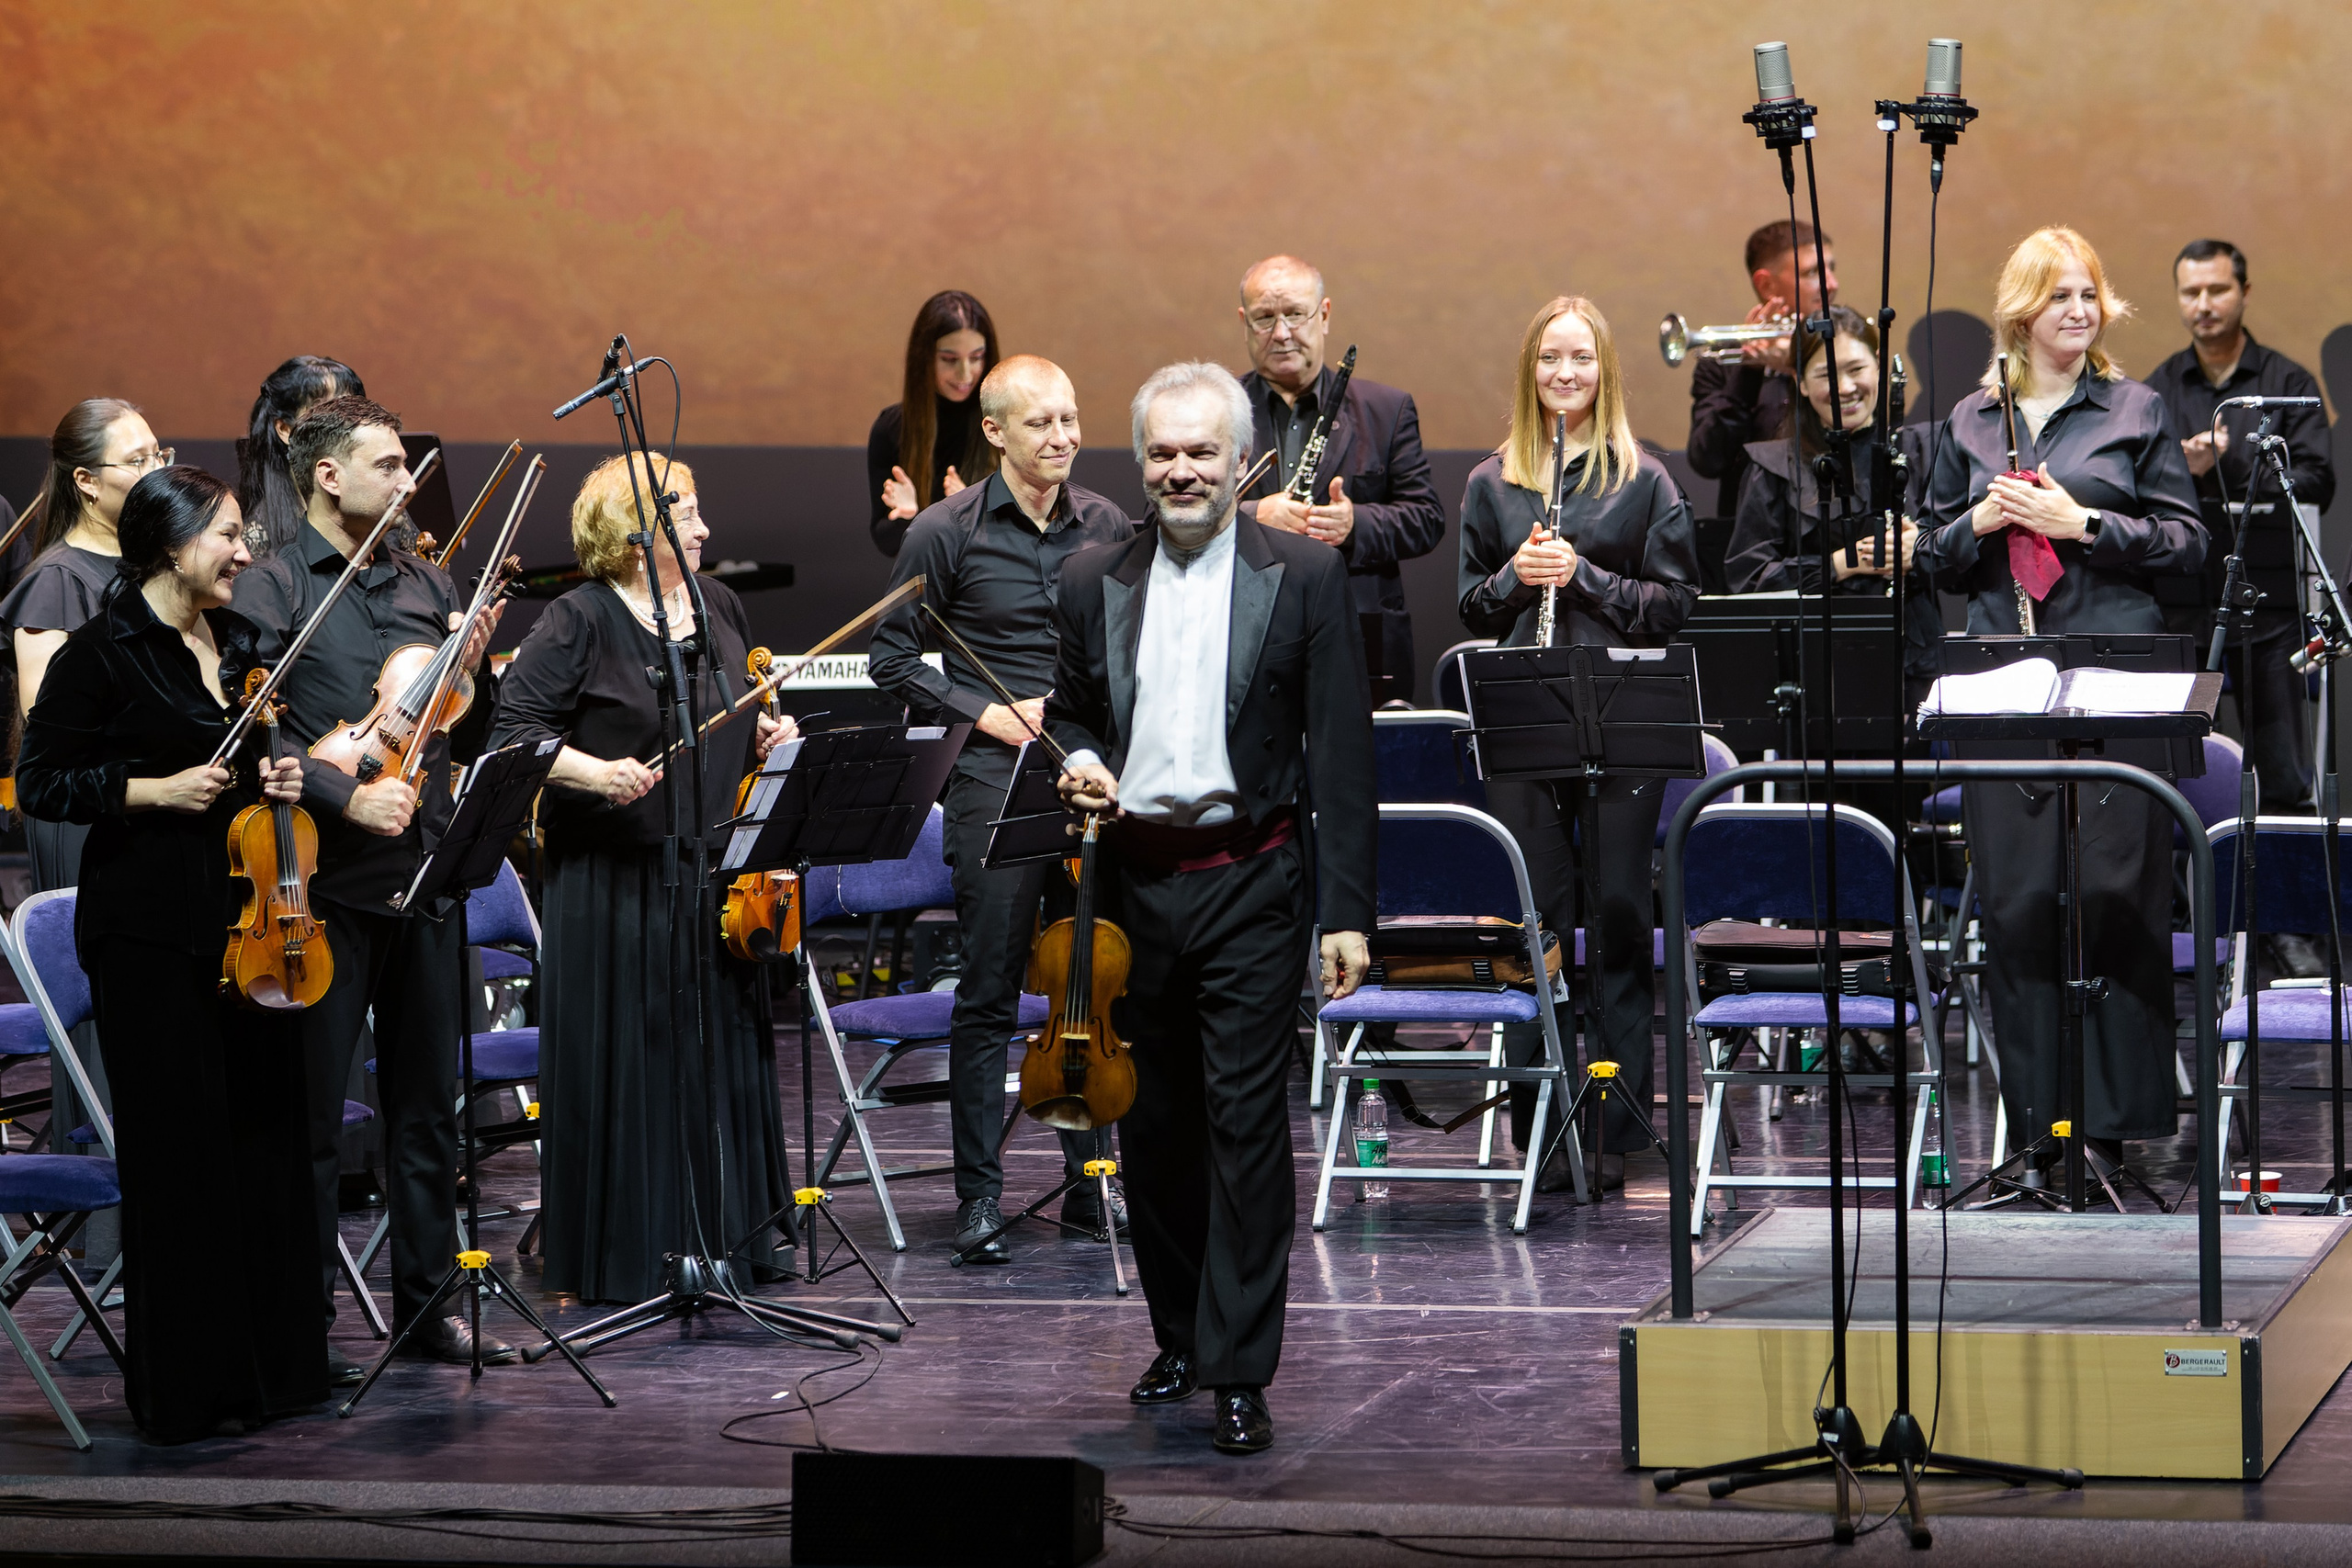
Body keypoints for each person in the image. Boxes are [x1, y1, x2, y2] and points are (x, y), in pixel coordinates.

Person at [1050, 360, 1375, 1456]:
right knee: (1151, 1129)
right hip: (1130, 887)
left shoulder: (1306, 577)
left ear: (1245, 462)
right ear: (1140, 463)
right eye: (1161, 452)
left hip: (1254, 879)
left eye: (1201, 451)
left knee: (1243, 1130)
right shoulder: (1091, 576)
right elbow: (1076, 714)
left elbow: (1340, 751)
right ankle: (1180, 1331)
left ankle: (1240, 1366)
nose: (1181, 469)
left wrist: (1347, 913)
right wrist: (1082, 760)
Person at [16, 466, 323, 1441]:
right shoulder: (104, 653)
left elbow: (271, 754)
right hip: (151, 935)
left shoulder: (239, 643)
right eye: (227, 536)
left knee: (263, 1151)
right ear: (168, 542)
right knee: (183, 1163)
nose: (245, 554)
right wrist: (154, 792)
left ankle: (275, 1375)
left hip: (251, 931)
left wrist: (279, 770)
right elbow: (42, 783)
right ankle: (193, 1390)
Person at [1914, 226, 2206, 1176]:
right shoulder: (1967, 421)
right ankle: (2042, 1132)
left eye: (2089, 294)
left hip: (2114, 677)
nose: (2078, 311)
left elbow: (2184, 543)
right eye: (2059, 297)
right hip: (2008, 684)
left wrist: (2085, 524)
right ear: (2021, 312)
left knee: (2116, 900)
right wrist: (1978, 520)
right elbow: (1935, 556)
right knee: (2022, 903)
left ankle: (2114, 1129)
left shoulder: (2134, 408)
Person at [232, 395, 505, 1374]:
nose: (407, 482)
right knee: (311, 1120)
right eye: (388, 466)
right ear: (327, 475)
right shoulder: (269, 590)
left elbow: (467, 725)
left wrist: (471, 674)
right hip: (321, 886)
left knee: (430, 1109)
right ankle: (300, 1325)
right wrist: (346, 798)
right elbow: (252, 738)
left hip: (425, 871)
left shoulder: (428, 583)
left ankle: (430, 1308)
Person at [489, 455, 796, 1303]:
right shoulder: (575, 621)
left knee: (714, 1054)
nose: (704, 530)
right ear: (633, 539)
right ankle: (630, 1249)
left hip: (712, 875)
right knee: (640, 1056)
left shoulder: (720, 606)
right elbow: (514, 734)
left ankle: (723, 1238)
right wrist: (594, 771)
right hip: (612, 882)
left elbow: (736, 715)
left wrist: (767, 735)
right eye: (686, 515)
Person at [869, 355, 1134, 1261]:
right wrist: (984, 711)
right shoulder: (943, 532)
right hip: (992, 774)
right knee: (987, 993)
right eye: (1040, 424)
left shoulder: (1107, 524)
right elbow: (892, 660)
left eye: (1070, 420)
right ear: (994, 433)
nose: (1061, 438)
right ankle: (980, 1199)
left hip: (1088, 768)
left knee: (1089, 990)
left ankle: (1091, 1186)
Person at [1457, 296, 1700, 1193]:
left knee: (1620, 918)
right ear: (1530, 371)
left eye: (1582, 358)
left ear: (1605, 371)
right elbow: (1471, 609)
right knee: (1538, 929)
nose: (1566, 373)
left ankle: (1624, 1124)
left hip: (1622, 718)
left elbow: (1677, 603)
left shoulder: (1644, 479)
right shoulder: (1491, 481)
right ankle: (1545, 1131)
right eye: (1550, 359)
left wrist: (1584, 577)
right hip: (1527, 717)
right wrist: (1515, 578)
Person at [2145, 240, 2335, 820]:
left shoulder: (2285, 379)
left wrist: (2229, 463)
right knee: (2169, 770)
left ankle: (2280, 903)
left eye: (2217, 290)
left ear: (2244, 293)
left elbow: (2318, 480)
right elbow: (2137, 480)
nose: (2203, 304)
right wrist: (2185, 466)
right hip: (2181, 606)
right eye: (2191, 292)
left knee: (2280, 775)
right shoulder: (2161, 385)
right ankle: (2183, 904)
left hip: (2270, 607)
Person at [1232, 254, 1444, 699]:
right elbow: (1167, 517)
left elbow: (1426, 518)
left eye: (1294, 314)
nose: (1282, 332)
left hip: (1357, 634)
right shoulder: (1214, 408)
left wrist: (1354, 525)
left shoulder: (1388, 410)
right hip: (1241, 632)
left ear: (1323, 315)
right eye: (1265, 318)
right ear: (1245, 322)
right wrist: (1251, 514)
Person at [1724, 303, 1941, 709]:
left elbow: (1963, 556)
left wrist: (1923, 548)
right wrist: (1843, 563)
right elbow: (1748, 579)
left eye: (1857, 369)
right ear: (1801, 384)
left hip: (1914, 668)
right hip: (1813, 675)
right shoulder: (1772, 466)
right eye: (1826, 374)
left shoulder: (1924, 449)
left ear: (1878, 366)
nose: (1845, 388)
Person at [1686, 220, 1840, 536]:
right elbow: (1707, 459)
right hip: (1751, 538)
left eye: (1831, 269)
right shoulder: (1722, 364)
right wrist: (1749, 372)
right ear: (1767, 285)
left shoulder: (1847, 351)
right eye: (1812, 273)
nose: (1832, 284)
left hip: (1832, 528)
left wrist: (1798, 370)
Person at [868, 290, 1001, 557]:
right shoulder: (892, 428)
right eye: (950, 360)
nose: (965, 374)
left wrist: (970, 510)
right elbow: (886, 541)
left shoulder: (1005, 423)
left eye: (976, 358)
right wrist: (909, 518)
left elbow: (1029, 539)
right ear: (924, 358)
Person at [235, 355, 368, 558]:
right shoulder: (259, 532)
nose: (345, 424)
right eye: (327, 411)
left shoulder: (375, 505)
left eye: (351, 410)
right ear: (285, 429)